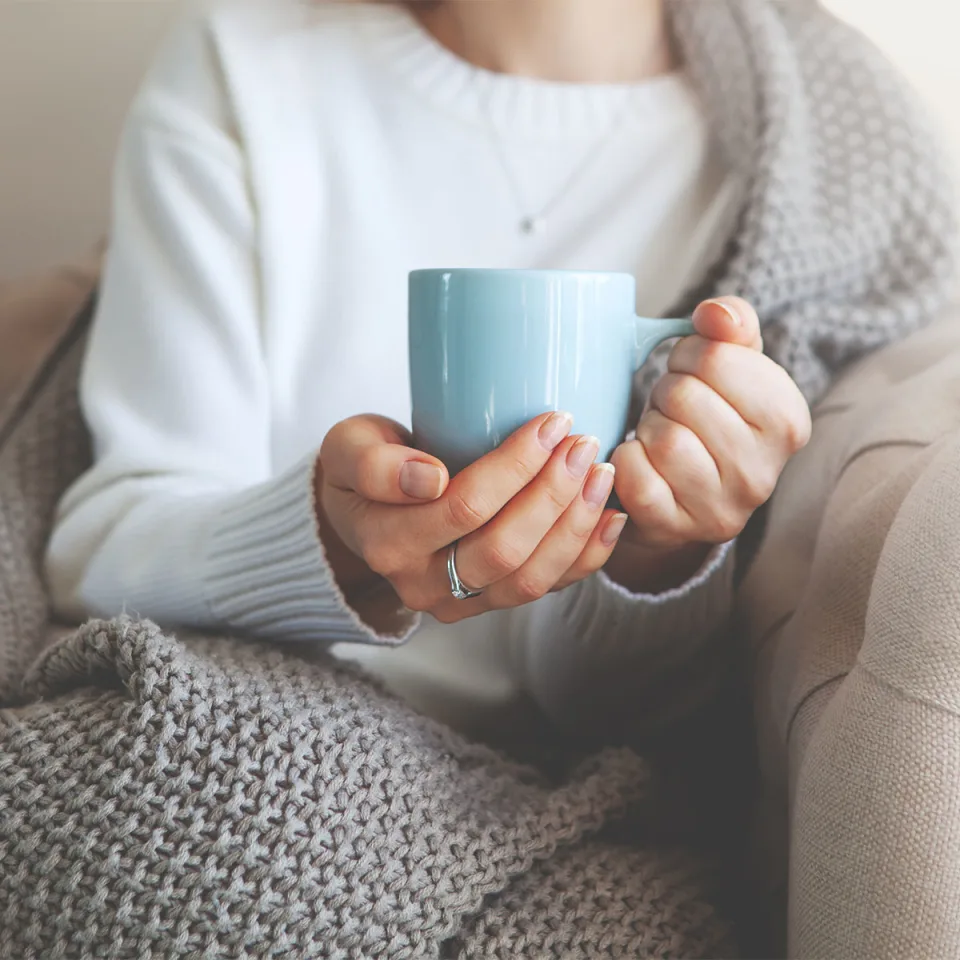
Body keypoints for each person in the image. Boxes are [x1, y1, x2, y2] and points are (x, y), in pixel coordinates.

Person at [43, 0, 951, 745]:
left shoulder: (833, 154)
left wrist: (655, 552)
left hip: (573, 802)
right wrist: (330, 543)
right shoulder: (244, 67)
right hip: (230, 735)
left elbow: (638, 725)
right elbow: (98, 551)